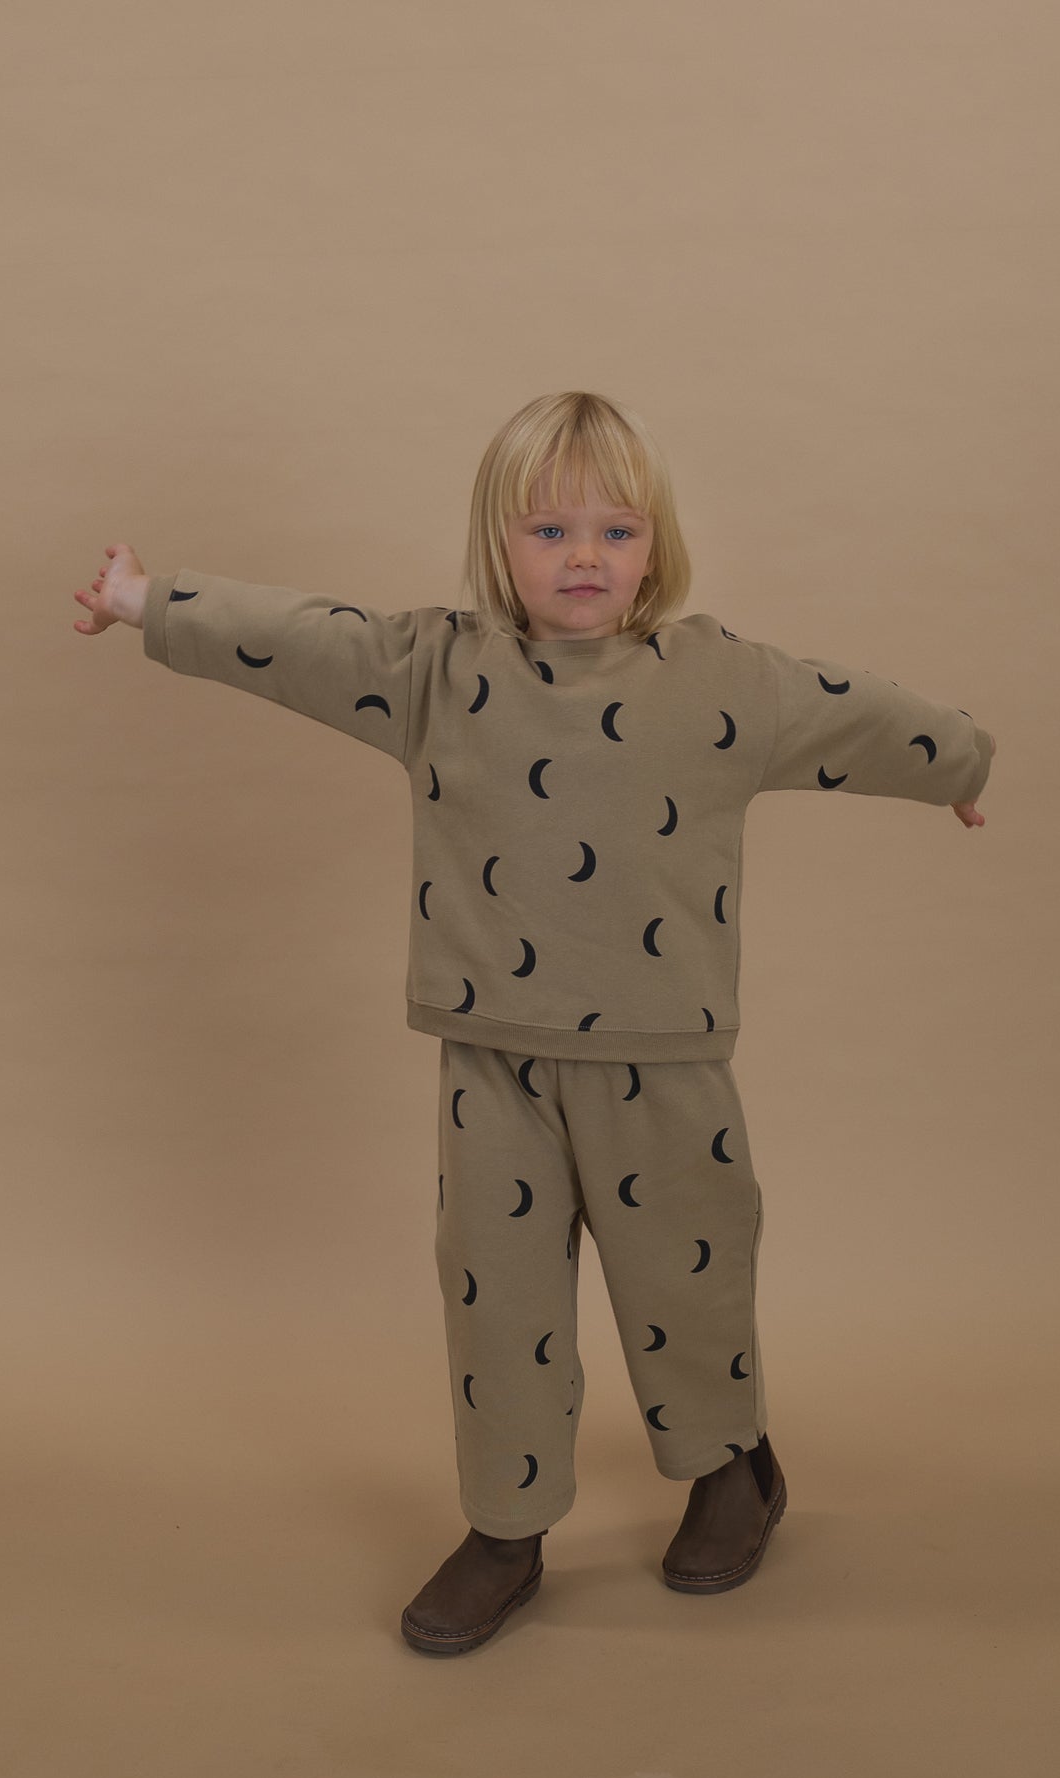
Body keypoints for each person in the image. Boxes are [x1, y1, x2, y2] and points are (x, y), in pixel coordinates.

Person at [71, 390, 997, 1655]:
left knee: (690, 1274)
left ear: (655, 546)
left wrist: (957, 763)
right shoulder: (437, 670)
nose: (582, 558)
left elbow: (859, 710)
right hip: (491, 1054)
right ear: (497, 544)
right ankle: (506, 1526)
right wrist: (147, 602)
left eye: (615, 532)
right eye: (549, 530)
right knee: (494, 1298)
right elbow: (302, 640)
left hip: (662, 1058)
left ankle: (731, 1470)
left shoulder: (723, 679)